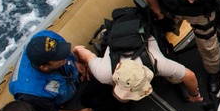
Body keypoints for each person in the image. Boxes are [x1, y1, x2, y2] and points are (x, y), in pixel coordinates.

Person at [8, 30, 119, 111]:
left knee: (103, 82)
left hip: (73, 81)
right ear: (45, 67)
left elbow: (67, 53)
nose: (65, 57)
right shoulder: (31, 93)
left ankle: (112, 109)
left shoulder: (46, 38)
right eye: (61, 58)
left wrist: (74, 63)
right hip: (60, 104)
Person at [73, 42, 204, 106]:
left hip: (146, 44)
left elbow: (189, 76)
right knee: (119, 98)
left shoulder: (158, 62)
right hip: (117, 46)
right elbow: (78, 49)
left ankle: (174, 80)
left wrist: (194, 94)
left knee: (174, 75)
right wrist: (80, 63)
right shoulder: (103, 73)